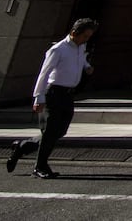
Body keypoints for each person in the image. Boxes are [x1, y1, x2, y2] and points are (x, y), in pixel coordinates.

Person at [6, 17, 97, 179]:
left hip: (69, 94)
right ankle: (40, 166)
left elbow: (81, 58)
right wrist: (39, 97)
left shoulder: (80, 46)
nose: (86, 39)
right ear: (74, 33)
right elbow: (44, 73)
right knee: (49, 132)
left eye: (88, 36)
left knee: (60, 130)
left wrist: (87, 66)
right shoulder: (58, 49)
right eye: (85, 36)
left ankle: (22, 147)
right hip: (53, 93)